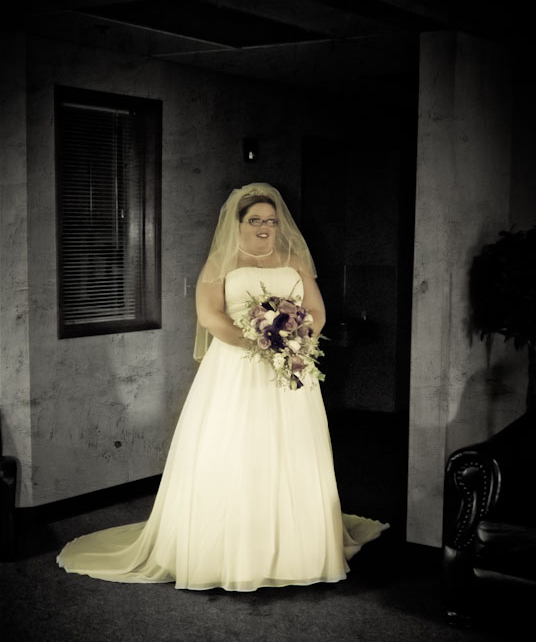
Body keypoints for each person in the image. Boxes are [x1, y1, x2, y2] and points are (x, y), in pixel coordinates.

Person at [57, 182, 388, 591]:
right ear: (238, 223)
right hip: (236, 366)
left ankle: (295, 546)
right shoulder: (222, 261)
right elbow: (210, 316)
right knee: (236, 446)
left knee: (292, 448)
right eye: (255, 220)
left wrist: (297, 339)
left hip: (291, 368)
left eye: (271, 220)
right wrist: (260, 343)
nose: (265, 227)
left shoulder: (294, 260)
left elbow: (316, 310)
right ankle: (230, 550)